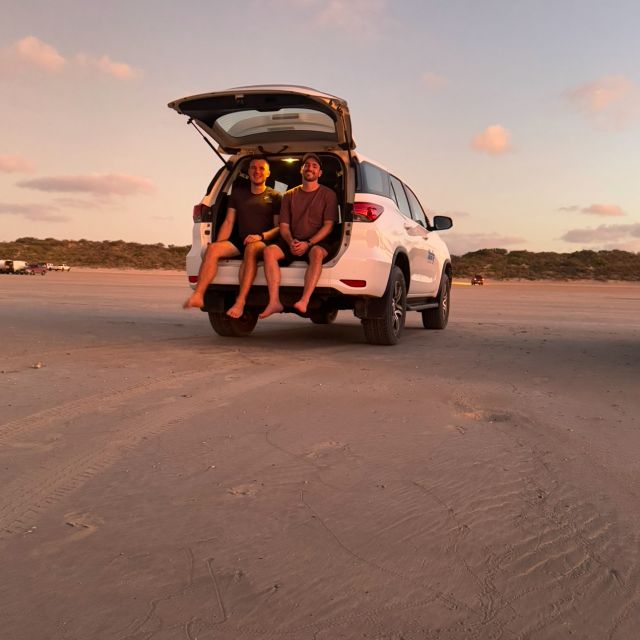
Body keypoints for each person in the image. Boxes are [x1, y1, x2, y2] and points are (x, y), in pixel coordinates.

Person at [183, 157, 281, 313]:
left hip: (264, 241)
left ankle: (240, 302)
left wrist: (261, 236)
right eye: (253, 167)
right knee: (213, 250)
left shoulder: (275, 196)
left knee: (251, 248)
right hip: (240, 240)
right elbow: (229, 222)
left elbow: (278, 228)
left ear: (268, 173)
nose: (257, 171)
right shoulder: (237, 195)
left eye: (261, 168)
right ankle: (198, 295)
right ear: (248, 171)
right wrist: (218, 244)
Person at [259, 153, 338, 318]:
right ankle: (274, 302)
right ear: (301, 169)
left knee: (316, 253)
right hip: (292, 241)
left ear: (320, 173)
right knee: (269, 252)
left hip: (316, 242)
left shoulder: (328, 194)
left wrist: (308, 243)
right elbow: (284, 226)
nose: (310, 168)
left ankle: (304, 300)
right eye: (307, 165)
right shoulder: (289, 195)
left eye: (315, 166)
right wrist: (290, 241)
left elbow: (329, 226)